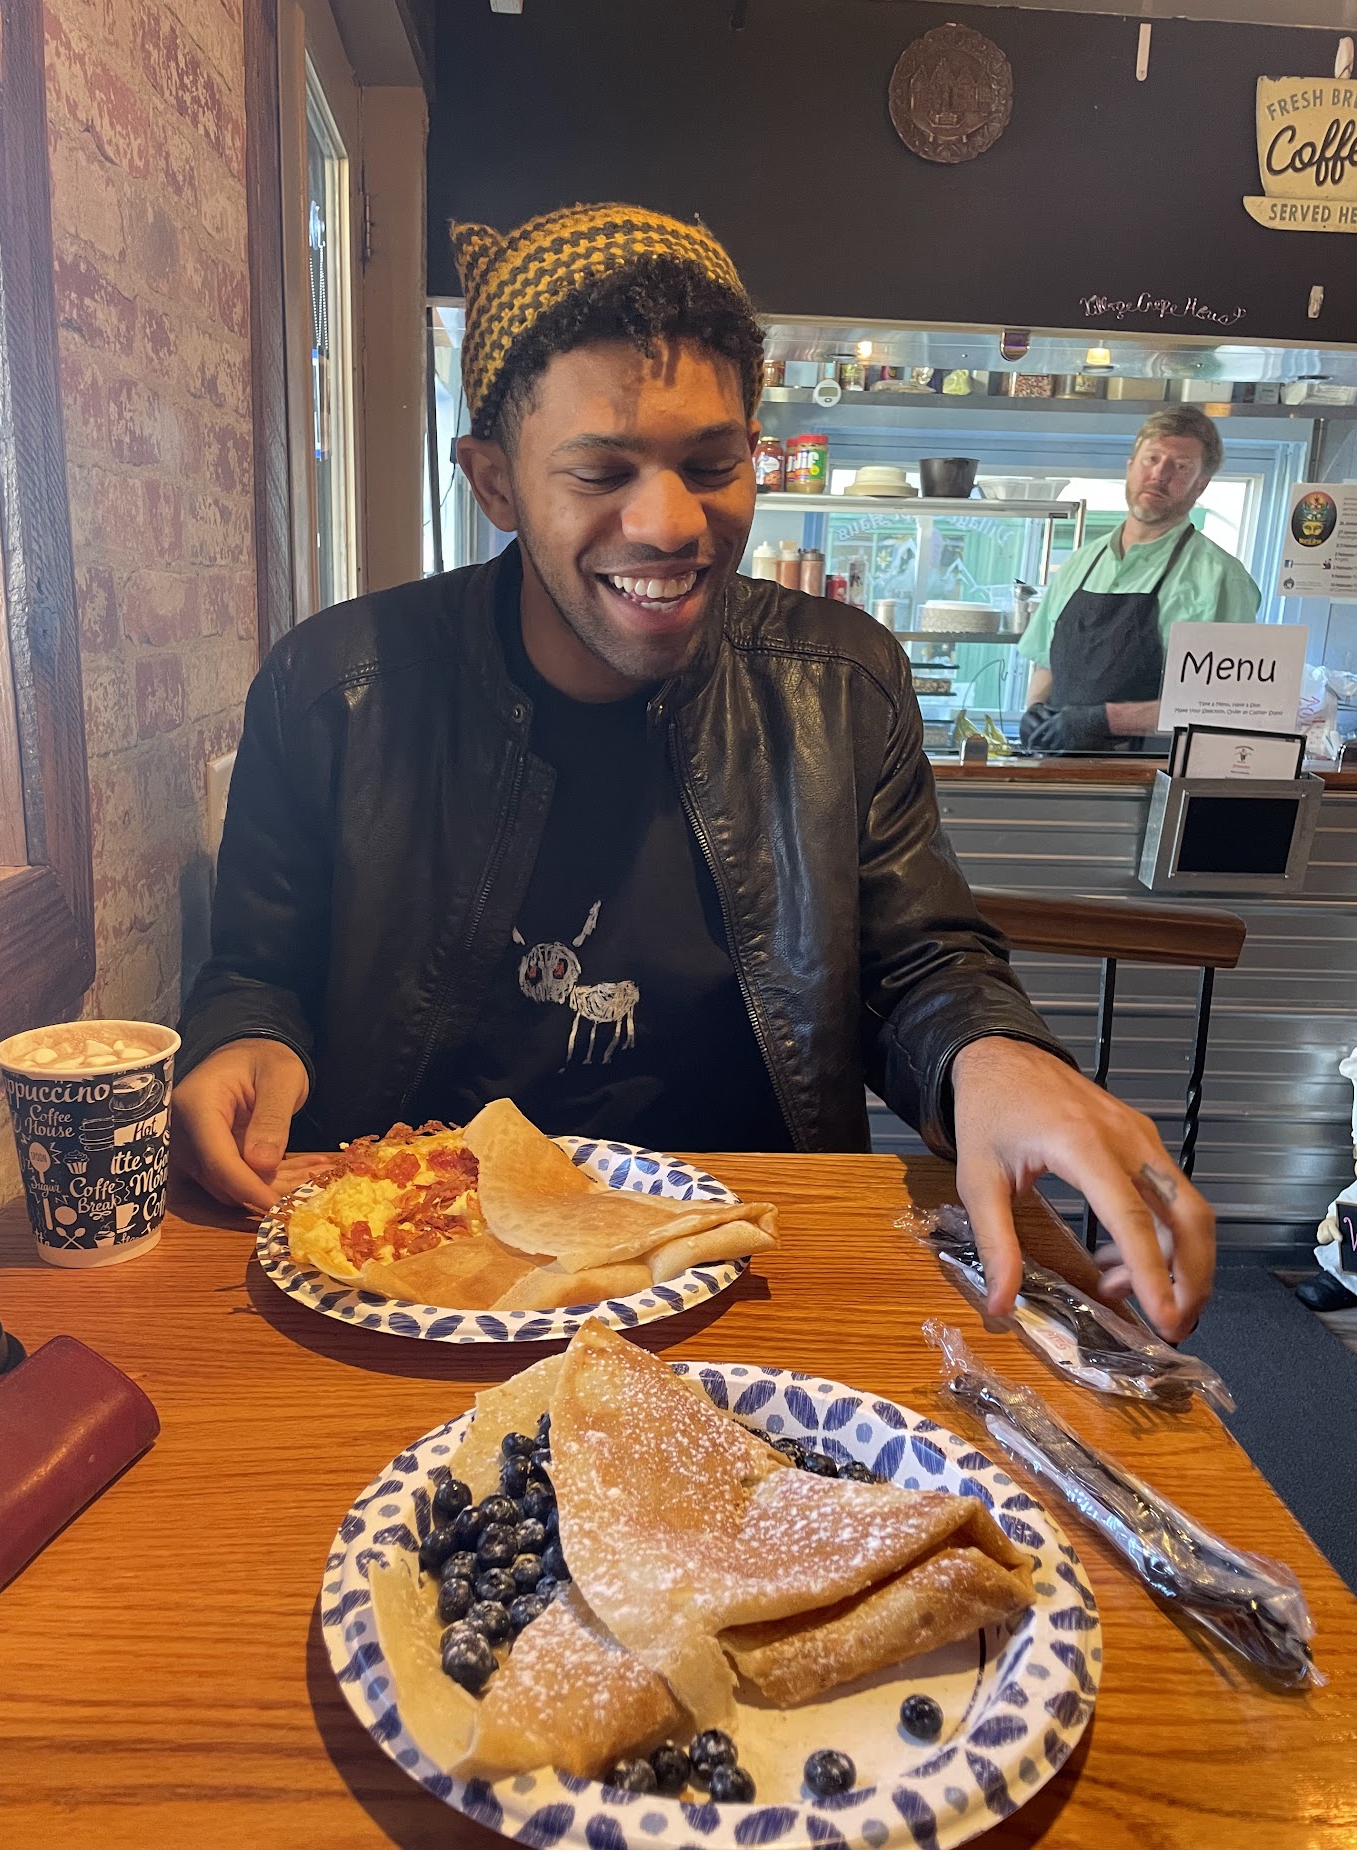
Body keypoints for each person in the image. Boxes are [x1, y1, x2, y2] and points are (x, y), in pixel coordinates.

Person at [174, 202, 1213, 1338]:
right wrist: (248, 1039)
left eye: (713, 464)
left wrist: (992, 1051)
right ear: (494, 482)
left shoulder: (841, 681)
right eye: (600, 472)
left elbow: (921, 961)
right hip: (419, 1270)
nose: (672, 524)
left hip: (747, 1263)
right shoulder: (332, 690)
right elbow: (257, 972)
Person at [1019, 405, 1260, 753]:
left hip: (1147, 772)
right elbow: (1046, 661)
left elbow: (1222, 703)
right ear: (1130, 467)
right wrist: (1034, 710)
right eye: (1151, 459)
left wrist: (1106, 720)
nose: (1159, 475)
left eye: (1181, 466)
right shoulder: (1080, 563)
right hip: (1057, 768)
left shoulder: (1221, 578)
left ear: (1200, 486)